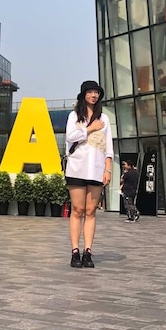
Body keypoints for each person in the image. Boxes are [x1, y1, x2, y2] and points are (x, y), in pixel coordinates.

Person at [65, 80, 114, 268]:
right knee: (77, 210)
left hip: (96, 168)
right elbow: (70, 136)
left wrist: (108, 169)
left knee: (91, 211)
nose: (94, 95)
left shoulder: (105, 119)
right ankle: (75, 252)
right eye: (90, 92)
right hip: (77, 167)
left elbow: (109, 147)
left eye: (97, 92)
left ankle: (88, 252)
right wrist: (89, 129)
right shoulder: (74, 116)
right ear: (84, 94)